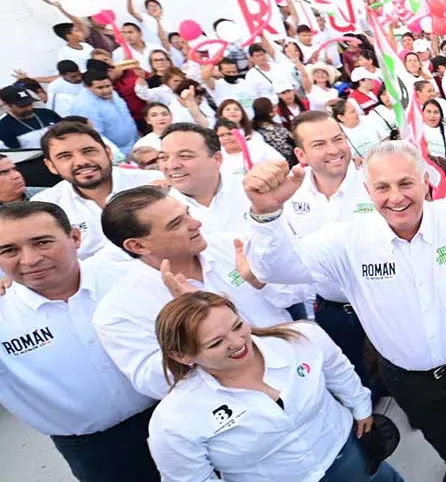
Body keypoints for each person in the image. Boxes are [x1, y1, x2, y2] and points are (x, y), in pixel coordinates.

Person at [240, 134, 446, 482]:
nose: (396, 197)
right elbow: (276, 268)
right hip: (404, 374)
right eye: (383, 187)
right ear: (368, 191)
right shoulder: (346, 239)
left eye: (406, 183)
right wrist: (268, 215)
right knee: (437, 430)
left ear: (425, 181)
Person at [0, 201, 212, 482]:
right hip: (92, 444)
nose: (29, 259)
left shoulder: (133, 277)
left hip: (171, 411)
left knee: (226, 471)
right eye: (7, 250)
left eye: (42, 242)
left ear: (76, 238)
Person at [148, 292, 419, 482]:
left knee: (374, 474)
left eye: (238, 325)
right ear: (182, 356)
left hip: (338, 444)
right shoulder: (174, 419)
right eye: (216, 343)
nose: (238, 343)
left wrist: (360, 406)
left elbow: (337, 369)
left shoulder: (301, 339)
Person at [93, 186, 302, 399]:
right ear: (137, 245)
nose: (196, 224)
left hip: (302, 365)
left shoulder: (232, 246)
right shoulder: (119, 311)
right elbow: (155, 384)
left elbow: (296, 293)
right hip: (243, 406)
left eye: (187, 214)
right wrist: (190, 321)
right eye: (176, 224)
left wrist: (262, 282)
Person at [282, 111, 379, 389]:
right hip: (330, 306)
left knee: (397, 365)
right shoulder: (290, 194)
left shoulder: (373, 181)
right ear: (301, 153)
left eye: (338, 139)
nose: (334, 150)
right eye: (319, 144)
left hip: (381, 299)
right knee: (350, 368)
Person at [32, 121, 156, 261]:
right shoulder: (46, 206)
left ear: (108, 152)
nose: (81, 161)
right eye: (65, 156)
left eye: (89, 151)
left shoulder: (152, 184)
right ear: (51, 166)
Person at [160, 123, 256, 234]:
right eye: (164, 157)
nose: (171, 165)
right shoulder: (159, 213)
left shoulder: (251, 190)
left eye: (185, 156)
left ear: (216, 159)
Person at [73, 71, 138, 155]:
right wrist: (116, 155)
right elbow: (96, 135)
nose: (106, 90)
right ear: (87, 87)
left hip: (134, 145)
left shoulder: (113, 93)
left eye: (108, 86)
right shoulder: (84, 105)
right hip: (116, 153)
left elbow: (127, 117)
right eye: (100, 88)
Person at [214, 118, 287, 178]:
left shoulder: (257, 145)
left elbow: (282, 163)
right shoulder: (217, 157)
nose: (227, 138)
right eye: (221, 135)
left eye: (230, 134)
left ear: (239, 132)